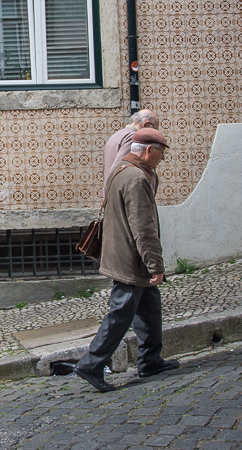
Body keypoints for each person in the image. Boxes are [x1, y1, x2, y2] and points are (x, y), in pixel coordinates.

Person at [75, 127, 179, 392]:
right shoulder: (137, 178)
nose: (161, 159)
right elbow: (143, 228)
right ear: (147, 150)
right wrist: (156, 265)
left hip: (123, 253)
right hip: (131, 259)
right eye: (160, 153)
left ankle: (150, 361)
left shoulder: (121, 167)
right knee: (120, 314)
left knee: (150, 309)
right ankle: (91, 364)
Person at [102, 109, 159, 192]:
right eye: (154, 130)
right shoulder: (133, 138)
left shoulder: (118, 134)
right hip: (126, 198)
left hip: (115, 196)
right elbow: (121, 169)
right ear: (146, 124)